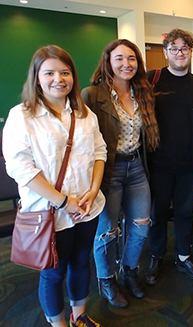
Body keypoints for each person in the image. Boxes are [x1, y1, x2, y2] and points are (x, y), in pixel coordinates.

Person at [3, 45, 106, 327]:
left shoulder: (85, 114)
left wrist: (93, 191)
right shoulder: (21, 116)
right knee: (53, 273)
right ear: (37, 77)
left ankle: (79, 316)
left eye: (65, 72)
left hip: (87, 208)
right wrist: (64, 201)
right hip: (50, 212)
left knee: (82, 262)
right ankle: (57, 324)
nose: (58, 79)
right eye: (49, 73)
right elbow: (20, 168)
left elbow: (100, 153)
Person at [82, 39, 159, 308]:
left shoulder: (143, 92)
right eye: (119, 58)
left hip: (137, 168)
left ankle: (129, 271)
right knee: (107, 231)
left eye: (132, 59)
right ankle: (107, 279)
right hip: (108, 170)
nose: (126, 64)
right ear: (108, 62)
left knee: (141, 225)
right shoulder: (92, 95)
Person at [145, 28, 193, 285]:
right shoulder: (152, 79)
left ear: (191, 51)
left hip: (189, 165)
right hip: (158, 164)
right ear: (166, 52)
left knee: (185, 213)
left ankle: (183, 256)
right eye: (174, 49)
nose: (180, 53)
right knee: (157, 213)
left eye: (184, 48)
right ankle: (156, 256)